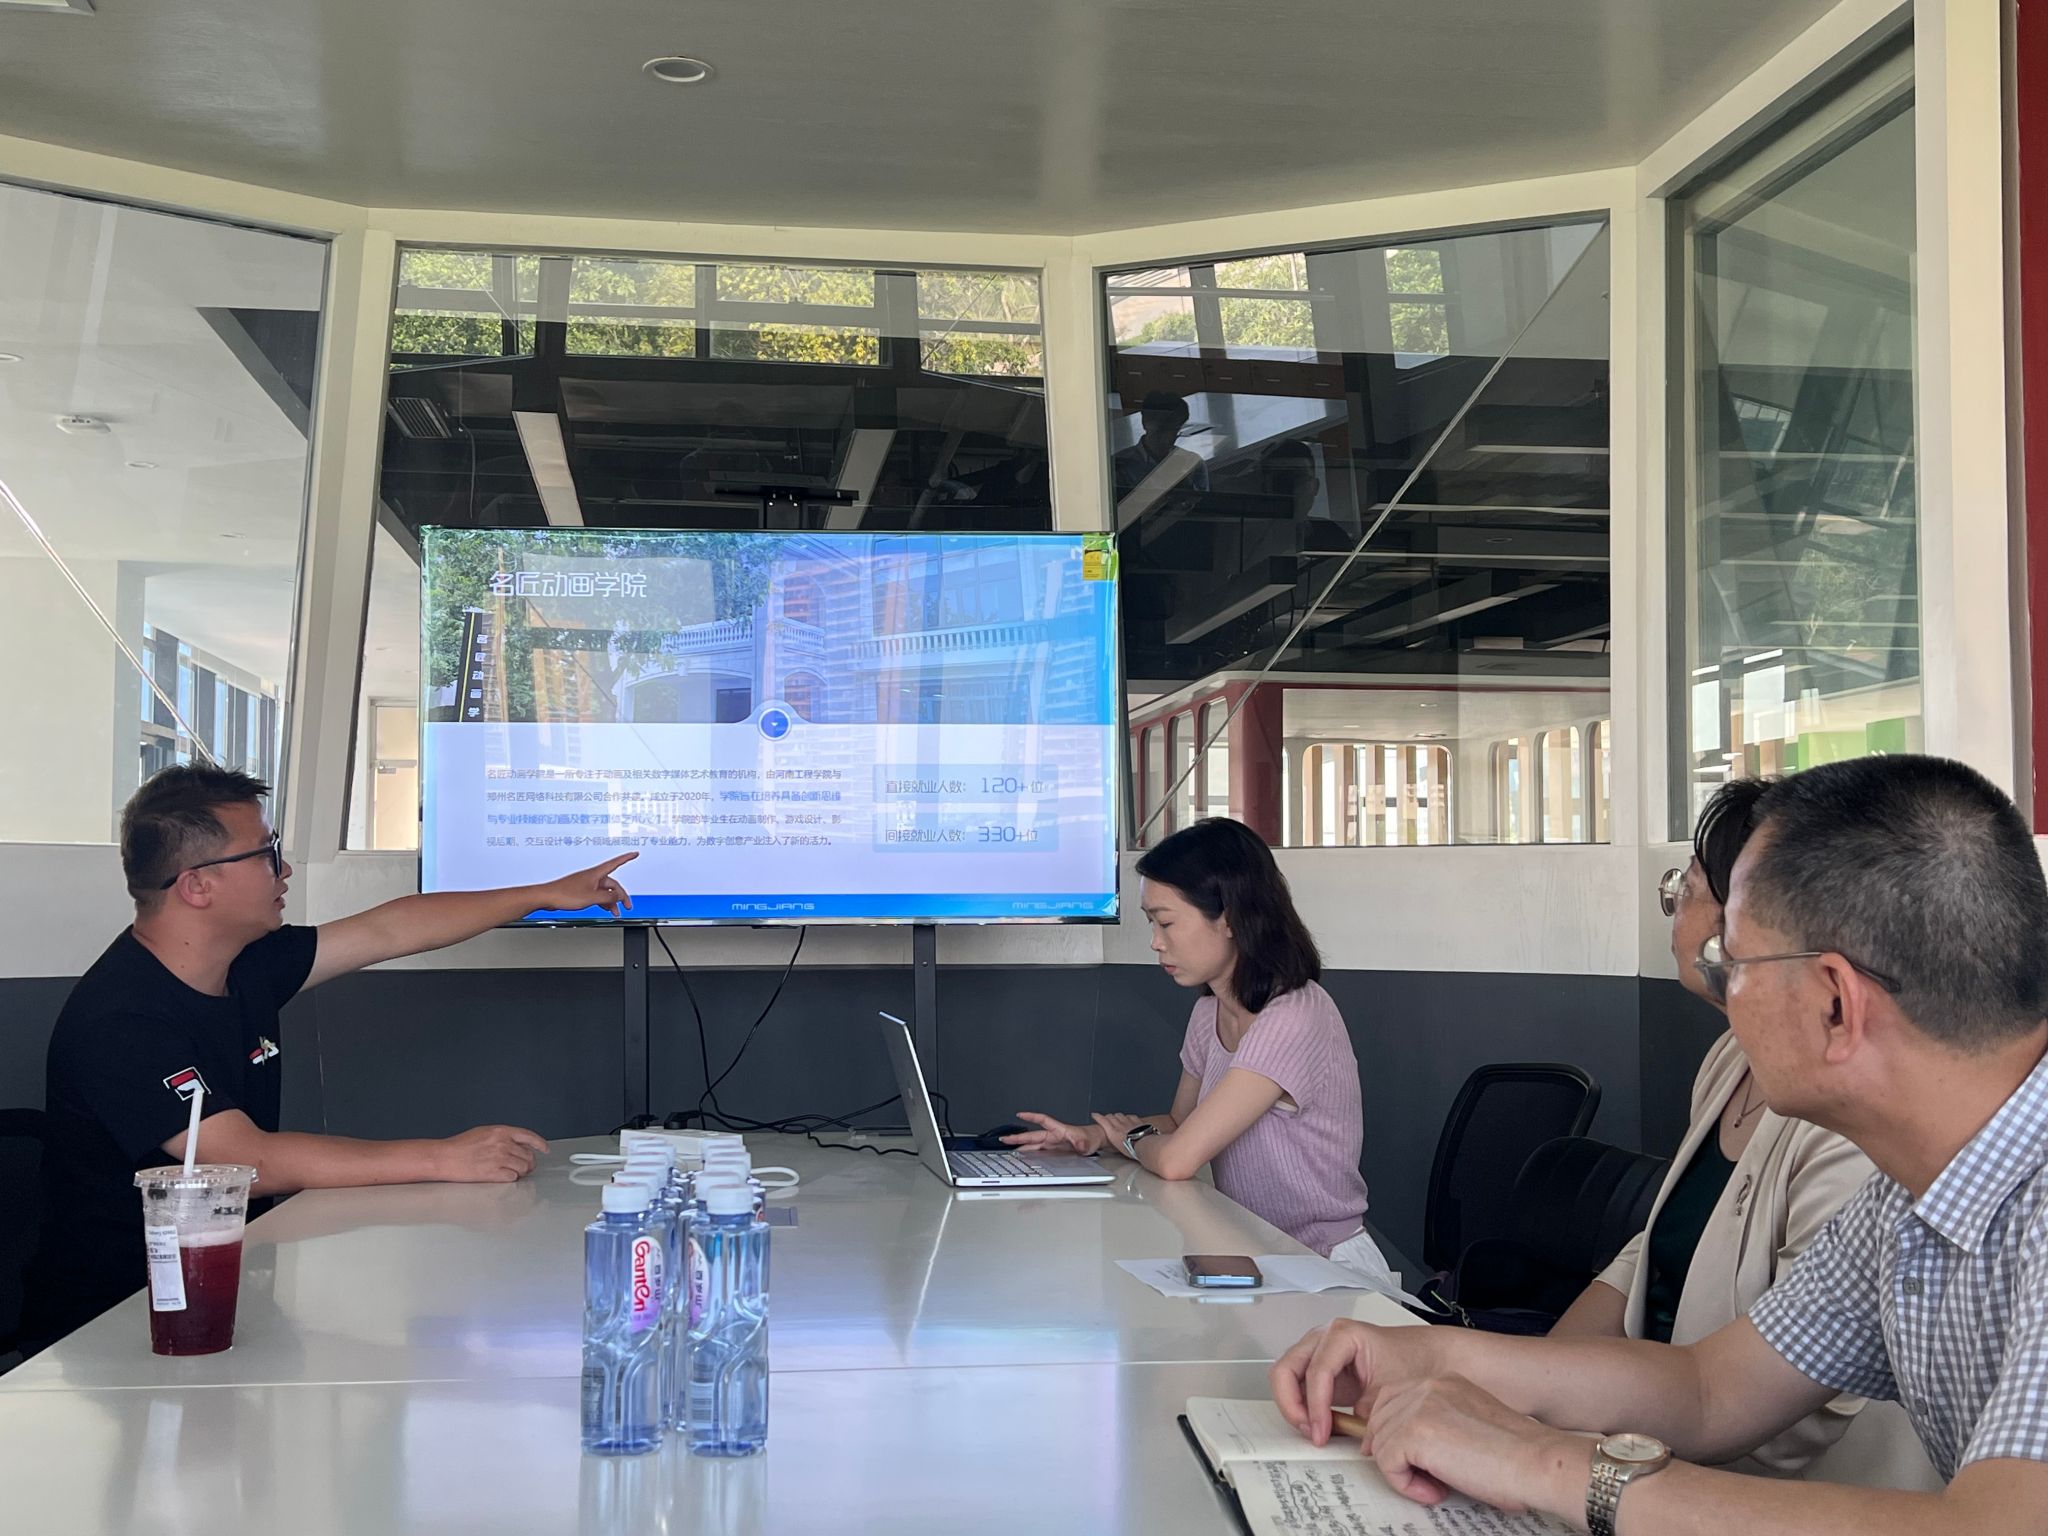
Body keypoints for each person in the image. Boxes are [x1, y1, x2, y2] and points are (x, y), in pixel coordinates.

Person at [1268, 755, 2048, 1533]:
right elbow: (1712, 1389)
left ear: (1835, 1004)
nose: (1722, 986)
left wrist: (1540, 1461)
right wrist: (1432, 1357)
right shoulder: (1904, 1196)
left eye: (1735, 961)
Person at [19, 764, 638, 1353]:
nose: (284, 868)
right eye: (266, 854)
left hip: (224, 1296)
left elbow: (390, 930)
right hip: (119, 1321)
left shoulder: (246, 963)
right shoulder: (122, 1019)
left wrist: (545, 893)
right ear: (197, 885)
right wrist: (444, 1157)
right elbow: (244, 1160)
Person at [1549, 779, 1929, 1486]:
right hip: (1667, 1453)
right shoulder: (1734, 1061)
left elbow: (1779, 1423)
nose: (1678, 912)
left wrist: (1576, 1466)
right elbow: (1701, 1367)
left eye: (1690, 889)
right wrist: (1528, 1386)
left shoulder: (1853, 1122)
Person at [1006, 817, 1390, 1280]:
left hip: (1322, 1267)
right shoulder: (1209, 1012)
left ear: (1229, 918)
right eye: (1152, 923)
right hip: (1250, 1252)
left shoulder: (1295, 1015)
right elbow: (1181, 1123)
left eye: (1167, 922)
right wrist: (1093, 1136)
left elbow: (1176, 1159)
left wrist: (1132, 1139)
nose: (1156, 942)